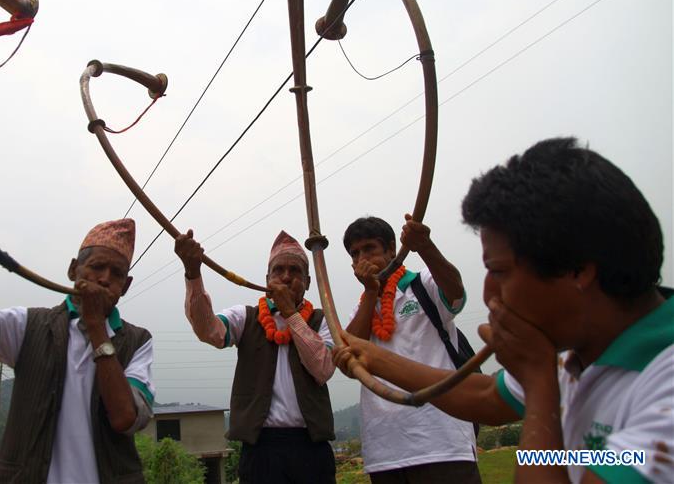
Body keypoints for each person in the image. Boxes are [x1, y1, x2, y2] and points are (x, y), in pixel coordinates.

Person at [334, 137, 673, 483]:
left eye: (499, 271)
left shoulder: (664, 384)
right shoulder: (573, 356)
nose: (488, 294)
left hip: (441, 447)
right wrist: (374, 359)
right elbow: (484, 396)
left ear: (578, 270)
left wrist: (539, 383)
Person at [0, 188, 154, 484]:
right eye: (96, 267)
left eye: (117, 274)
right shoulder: (29, 325)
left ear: (126, 286)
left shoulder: (138, 341)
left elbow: (126, 418)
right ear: (73, 270)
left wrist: (97, 326)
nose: (104, 279)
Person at [175, 229, 337, 483]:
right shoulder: (245, 316)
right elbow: (208, 331)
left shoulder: (323, 319)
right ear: (267, 279)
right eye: (278, 270)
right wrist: (193, 274)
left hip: (311, 447)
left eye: (294, 271)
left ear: (307, 281)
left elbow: (323, 368)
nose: (286, 277)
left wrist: (290, 314)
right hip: (260, 449)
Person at [342, 214, 480, 483]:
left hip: (443, 443)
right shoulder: (361, 308)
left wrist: (425, 246)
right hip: (385, 452)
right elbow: (350, 361)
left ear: (392, 250)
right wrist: (371, 292)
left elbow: (456, 294)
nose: (362, 259)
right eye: (355, 254)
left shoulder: (423, 283)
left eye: (369, 248)